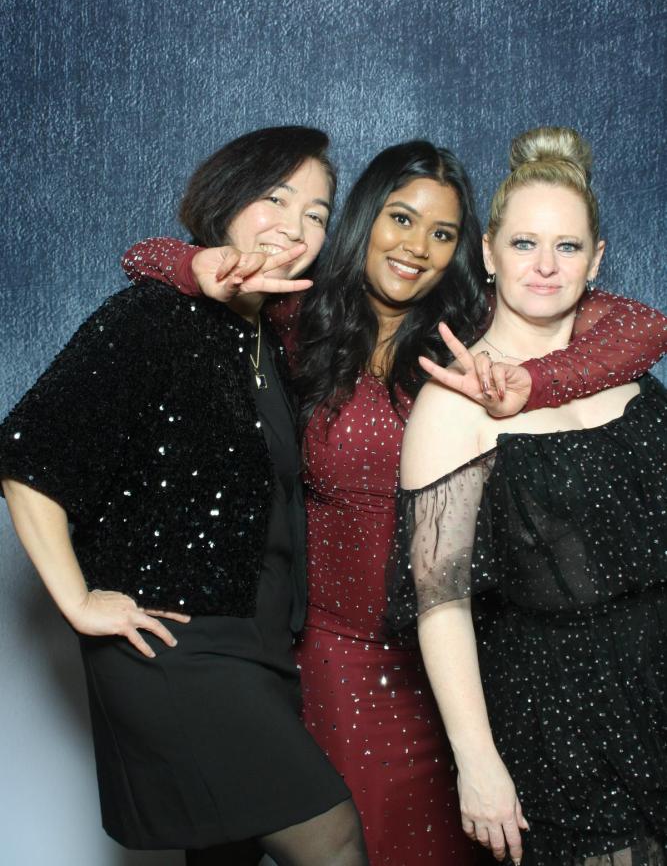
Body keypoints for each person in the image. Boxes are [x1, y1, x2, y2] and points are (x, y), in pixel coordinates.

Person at [120, 137, 667, 865]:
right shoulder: (299, 313)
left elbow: (642, 328)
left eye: (441, 232)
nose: (416, 246)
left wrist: (537, 383)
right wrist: (196, 266)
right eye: (401, 219)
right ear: (365, 219)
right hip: (344, 651)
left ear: (465, 250)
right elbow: (143, 256)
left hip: (469, 655)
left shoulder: (469, 328)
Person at [0, 126, 370, 866]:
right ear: (227, 201)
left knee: (228, 853)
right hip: (178, 646)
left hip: (259, 643)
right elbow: (27, 452)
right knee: (331, 840)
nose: (295, 227)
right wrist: (79, 600)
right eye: (275, 199)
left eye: (316, 213)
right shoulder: (155, 316)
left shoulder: (271, 340)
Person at [390, 126, 667, 866]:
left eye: (567, 247)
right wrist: (476, 760)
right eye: (524, 244)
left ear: (596, 260)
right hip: (558, 716)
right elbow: (440, 602)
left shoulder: (628, 375)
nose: (545, 266)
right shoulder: (453, 405)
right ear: (488, 252)